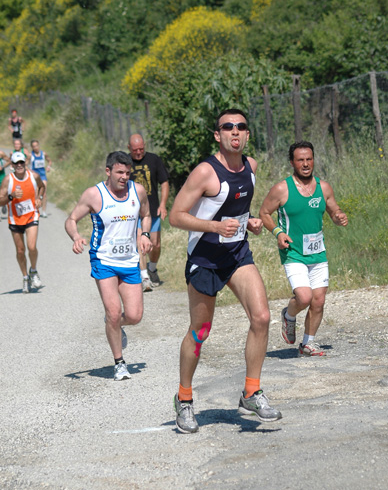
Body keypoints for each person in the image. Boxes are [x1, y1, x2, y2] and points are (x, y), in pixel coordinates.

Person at [169, 109, 282, 434]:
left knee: (261, 317)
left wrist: (253, 223)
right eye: (228, 127)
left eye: (241, 127)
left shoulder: (252, 167)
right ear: (217, 135)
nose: (236, 132)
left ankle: (251, 391)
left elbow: (239, 211)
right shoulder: (206, 172)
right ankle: (185, 398)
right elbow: (176, 215)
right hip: (205, 258)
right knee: (200, 331)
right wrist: (214, 226)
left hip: (237, 254)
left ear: (247, 134)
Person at [65, 151, 153, 381]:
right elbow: (71, 219)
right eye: (120, 172)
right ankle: (119, 363)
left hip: (130, 261)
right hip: (103, 260)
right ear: (108, 171)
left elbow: (146, 214)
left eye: (128, 172)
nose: (124, 177)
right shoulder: (94, 195)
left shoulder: (138, 191)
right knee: (114, 312)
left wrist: (144, 234)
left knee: (134, 316)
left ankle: (113, 324)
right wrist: (75, 236)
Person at [259, 141, 348, 357]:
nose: (306, 164)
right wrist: (278, 233)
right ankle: (289, 316)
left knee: (319, 300)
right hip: (294, 252)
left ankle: (308, 344)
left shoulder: (323, 187)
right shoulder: (282, 189)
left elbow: (334, 210)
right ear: (292, 162)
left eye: (309, 159)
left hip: (318, 252)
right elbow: (264, 213)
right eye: (300, 160)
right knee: (305, 297)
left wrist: (338, 217)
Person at [128, 134, 169, 291]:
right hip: (134, 212)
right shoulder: (125, 162)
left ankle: (152, 269)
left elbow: (164, 182)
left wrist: (163, 204)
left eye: (141, 149)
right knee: (141, 241)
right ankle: (144, 277)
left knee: (155, 244)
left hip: (152, 209)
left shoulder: (154, 160)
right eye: (135, 150)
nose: (138, 153)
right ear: (128, 148)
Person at [0, 151, 45, 293]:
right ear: (12, 165)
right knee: (20, 250)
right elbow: (1, 201)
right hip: (15, 218)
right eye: (16, 163)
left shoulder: (34, 176)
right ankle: (25, 277)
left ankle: (33, 271)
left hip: (32, 215)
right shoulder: (8, 180)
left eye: (21, 162)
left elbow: (42, 186)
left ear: (25, 163)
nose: (19, 165)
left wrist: (39, 198)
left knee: (31, 247)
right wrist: (11, 196)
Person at [30, 139, 52, 218]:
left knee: (44, 192)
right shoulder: (31, 155)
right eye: (34, 146)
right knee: (36, 192)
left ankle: (44, 211)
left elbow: (49, 161)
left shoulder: (43, 154)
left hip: (42, 175)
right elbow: (25, 164)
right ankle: (35, 209)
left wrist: (48, 167)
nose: (36, 147)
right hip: (35, 176)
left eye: (37, 145)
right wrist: (30, 171)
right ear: (32, 147)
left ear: (39, 145)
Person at [0, 150, 11, 218]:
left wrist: (2, 166)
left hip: (1, 176)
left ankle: (3, 203)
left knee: (2, 194)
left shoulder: (1, 153)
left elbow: (9, 161)